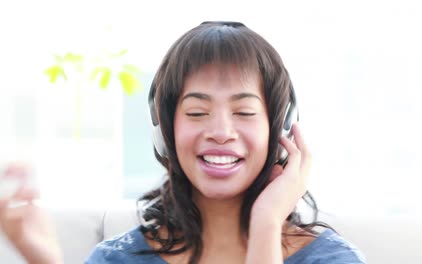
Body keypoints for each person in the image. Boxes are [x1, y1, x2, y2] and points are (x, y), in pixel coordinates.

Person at [0, 21, 366, 264]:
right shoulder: (120, 259)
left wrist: (267, 222)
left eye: (243, 112)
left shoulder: (331, 260)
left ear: (281, 128)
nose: (221, 131)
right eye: (196, 112)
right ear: (164, 132)